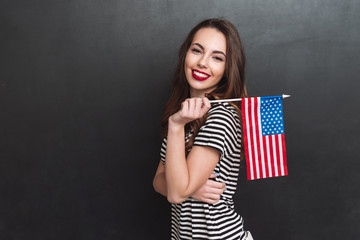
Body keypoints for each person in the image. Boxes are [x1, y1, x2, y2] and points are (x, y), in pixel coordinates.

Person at [153, 18, 252, 240]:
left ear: (228, 69)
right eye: (197, 50)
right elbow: (158, 180)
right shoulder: (184, 114)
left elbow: (176, 193)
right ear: (185, 55)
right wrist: (190, 188)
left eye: (217, 57)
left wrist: (184, 188)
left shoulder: (222, 116)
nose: (202, 63)